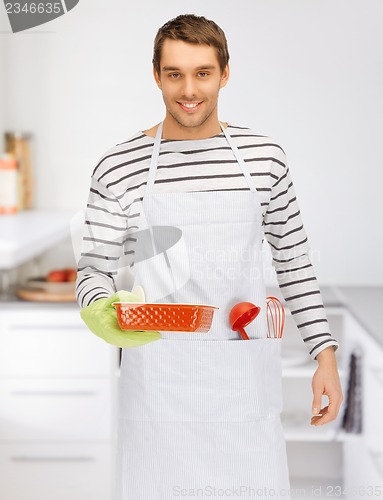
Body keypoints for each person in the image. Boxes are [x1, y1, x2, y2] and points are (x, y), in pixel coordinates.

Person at [76, 14, 343, 499]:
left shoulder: (265, 159)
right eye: (174, 73)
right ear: (156, 76)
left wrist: (324, 356)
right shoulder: (118, 166)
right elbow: (93, 268)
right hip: (159, 384)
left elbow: (294, 261)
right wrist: (100, 306)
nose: (188, 89)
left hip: (240, 380)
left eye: (202, 72)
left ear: (224, 73)